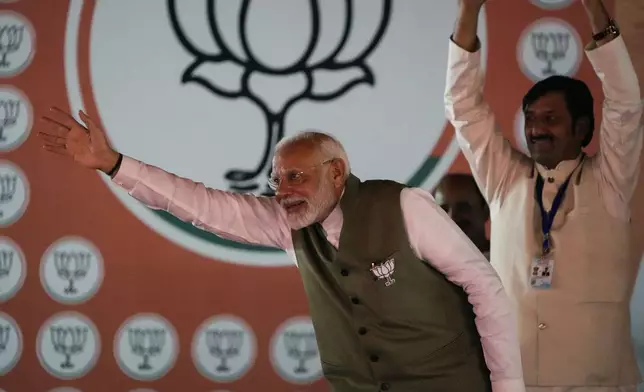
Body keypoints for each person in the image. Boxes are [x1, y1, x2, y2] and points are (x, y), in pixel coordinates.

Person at [38, 112, 525, 391]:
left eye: (297, 176)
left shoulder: (404, 206)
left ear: (337, 173)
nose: (283, 189)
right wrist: (114, 165)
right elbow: (200, 205)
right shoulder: (286, 225)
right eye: (276, 179)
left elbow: (484, 287)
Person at [445, 0, 643, 391]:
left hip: (597, 384)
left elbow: (626, 105)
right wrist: (469, 11)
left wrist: (596, 13)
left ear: (581, 127)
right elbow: (463, 107)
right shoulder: (506, 180)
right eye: (531, 117)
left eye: (550, 119)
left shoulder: (610, 181)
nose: (536, 129)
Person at [433, 173, 490, 258]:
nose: (452, 217)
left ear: (485, 210)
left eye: (463, 207)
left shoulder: (507, 262)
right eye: (443, 210)